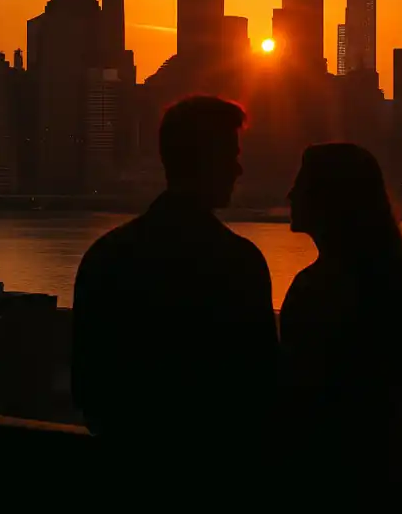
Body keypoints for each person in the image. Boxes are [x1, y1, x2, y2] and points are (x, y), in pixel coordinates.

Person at [71, 96, 280, 508]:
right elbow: (260, 387)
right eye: (231, 155)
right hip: (216, 480)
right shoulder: (238, 262)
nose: (239, 169)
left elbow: (88, 386)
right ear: (209, 159)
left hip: (126, 475)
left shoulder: (106, 255)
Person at [280, 143, 402, 512]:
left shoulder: (316, 289)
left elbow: (302, 400)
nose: (289, 194)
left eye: (300, 184)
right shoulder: (392, 284)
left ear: (329, 200)